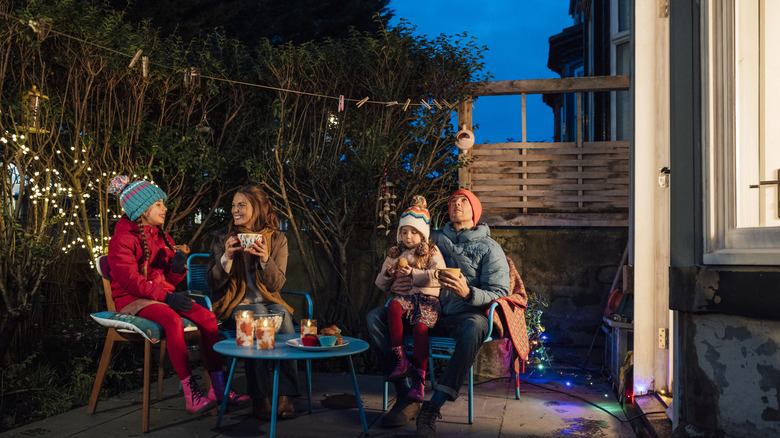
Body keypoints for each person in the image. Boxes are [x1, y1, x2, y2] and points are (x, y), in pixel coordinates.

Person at [367, 188, 510, 438]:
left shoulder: (489, 247)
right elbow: (401, 264)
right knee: (375, 317)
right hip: (421, 310)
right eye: (454, 200)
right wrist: (395, 284)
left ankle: (432, 407)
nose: (457, 203)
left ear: (475, 211)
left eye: (464, 200)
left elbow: (499, 291)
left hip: (461, 316)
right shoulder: (429, 240)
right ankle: (407, 395)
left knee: (476, 325)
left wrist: (469, 293)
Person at [106, 175, 247, 415]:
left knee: (208, 318)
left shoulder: (161, 236)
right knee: (172, 320)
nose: (165, 208)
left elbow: (170, 280)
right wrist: (168, 298)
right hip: (133, 300)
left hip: (159, 296)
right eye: (159, 204)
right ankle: (191, 394)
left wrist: (177, 268)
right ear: (142, 209)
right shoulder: (122, 240)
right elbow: (131, 281)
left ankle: (218, 388)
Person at [206, 185, 300, 421]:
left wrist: (265, 259)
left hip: (270, 301)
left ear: (257, 208)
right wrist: (226, 258)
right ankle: (260, 396)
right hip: (235, 306)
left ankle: (286, 396)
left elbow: (276, 285)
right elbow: (213, 284)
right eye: (233, 205)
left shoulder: (278, 238)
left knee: (282, 314)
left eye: (241, 205)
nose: (234, 210)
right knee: (257, 313)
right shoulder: (222, 237)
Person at [374, 196, 446, 402]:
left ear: (422, 233)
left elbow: (439, 276)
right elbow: (380, 283)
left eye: (414, 232)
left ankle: (419, 381)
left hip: (426, 300)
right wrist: (388, 274)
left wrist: (413, 274)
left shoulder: (431, 251)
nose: (408, 236)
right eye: (404, 232)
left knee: (420, 329)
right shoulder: (396, 253)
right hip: (405, 298)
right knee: (394, 306)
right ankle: (400, 360)